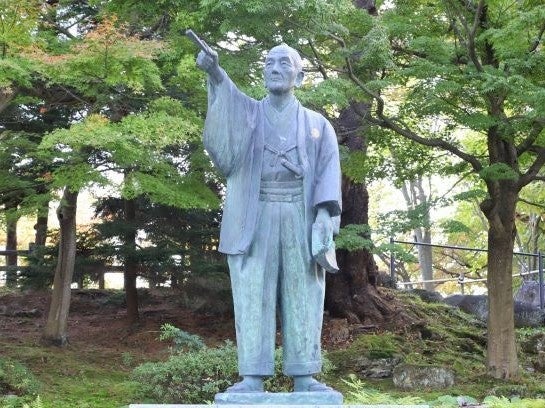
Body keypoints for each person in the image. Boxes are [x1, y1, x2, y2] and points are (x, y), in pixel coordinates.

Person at [194, 38, 341, 393]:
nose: (275, 68)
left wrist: (325, 215)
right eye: (270, 63)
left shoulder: (318, 124)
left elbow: (328, 173)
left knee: (303, 290)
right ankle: (252, 376)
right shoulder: (249, 114)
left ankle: (305, 375)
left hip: (300, 215)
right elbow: (228, 101)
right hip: (254, 213)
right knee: (252, 290)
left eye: (284, 63)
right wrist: (215, 72)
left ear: (299, 77)